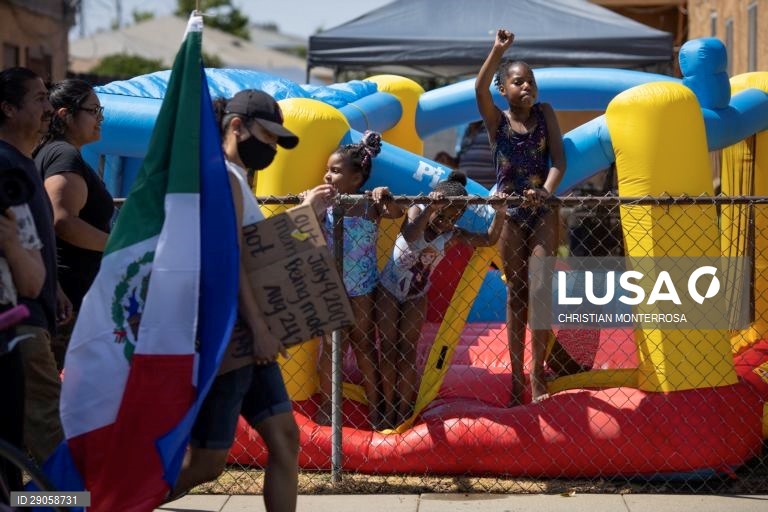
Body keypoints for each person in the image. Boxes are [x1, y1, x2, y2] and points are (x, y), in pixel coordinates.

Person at [172, 89, 308, 512]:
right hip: (229, 338)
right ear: (237, 126)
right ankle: (103, 504)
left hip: (249, 339)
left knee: (285, 439)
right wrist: (262, 328)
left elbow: (255, 253)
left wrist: (309, 212)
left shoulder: (236, 178)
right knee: (207, 463)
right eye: (267, 137)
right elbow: (227, 262)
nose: (271, 149)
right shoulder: (223, 178)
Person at [475, 29, 568, 405]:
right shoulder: (496, 121)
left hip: (541, 210)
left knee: (541, 288)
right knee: (517, 294)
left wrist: (545, 190)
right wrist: (498, 51)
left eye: (530, 80)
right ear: (503, 90)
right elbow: (479, 88)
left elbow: (559, 161)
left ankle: (537, 374)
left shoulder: (545, 114)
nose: (526, 85)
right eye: (518, 81)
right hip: (510, 215)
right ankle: (515, 379)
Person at [377, 172, 507, 428]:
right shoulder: (417, 210)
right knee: (389, 349)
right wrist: (429, 209)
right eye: (442, 215)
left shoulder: (452, 234)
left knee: (407, 351)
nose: (445, 222)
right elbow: (411, 236)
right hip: (388, 290)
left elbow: (489, 239)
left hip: (416, 295)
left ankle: (404, 411)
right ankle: (387, 408)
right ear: (433, 205)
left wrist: (500, 213)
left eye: (453, 218)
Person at [302, 131, 404, 429]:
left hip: (362, 288)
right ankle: (328, 405)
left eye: (335, 171)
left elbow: (397, 213)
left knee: (363, 345)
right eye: (327, 170)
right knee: (331, 348)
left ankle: (376, 408)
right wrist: (310, 203)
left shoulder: (369, 203)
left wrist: (385, 196)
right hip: (332, 287)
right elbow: (304, 229)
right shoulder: (324, 203)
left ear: (356, 178)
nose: (327, 175)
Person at [0, 67, 70, 464]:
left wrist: (53, 287)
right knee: (51, 439)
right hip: (17, 323)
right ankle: (65, 498)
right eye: (39, 98)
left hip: (34, 315)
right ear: (8, 109)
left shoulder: (22, 164)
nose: (49, 108)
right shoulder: (4, 165)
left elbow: (31, 242)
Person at [34, 78, 114, 369]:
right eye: (93, 111)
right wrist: (119, 244)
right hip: (68, 298)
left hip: (66, 294)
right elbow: (64, 221)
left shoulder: (53, 152)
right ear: (65, 115)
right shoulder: (63, 154)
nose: (100, 118)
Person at [0, 164, 46, 501]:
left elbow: (33, 284)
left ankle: (80, 502)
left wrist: (11, 244)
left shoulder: (11, 197)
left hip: (6, 339)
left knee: (10, 480)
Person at [457, 120, 496, 188]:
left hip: (488, 190)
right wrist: (449, 161)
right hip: (468, 190)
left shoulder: (491, 127)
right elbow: (464, 161)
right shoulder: (467, 131)